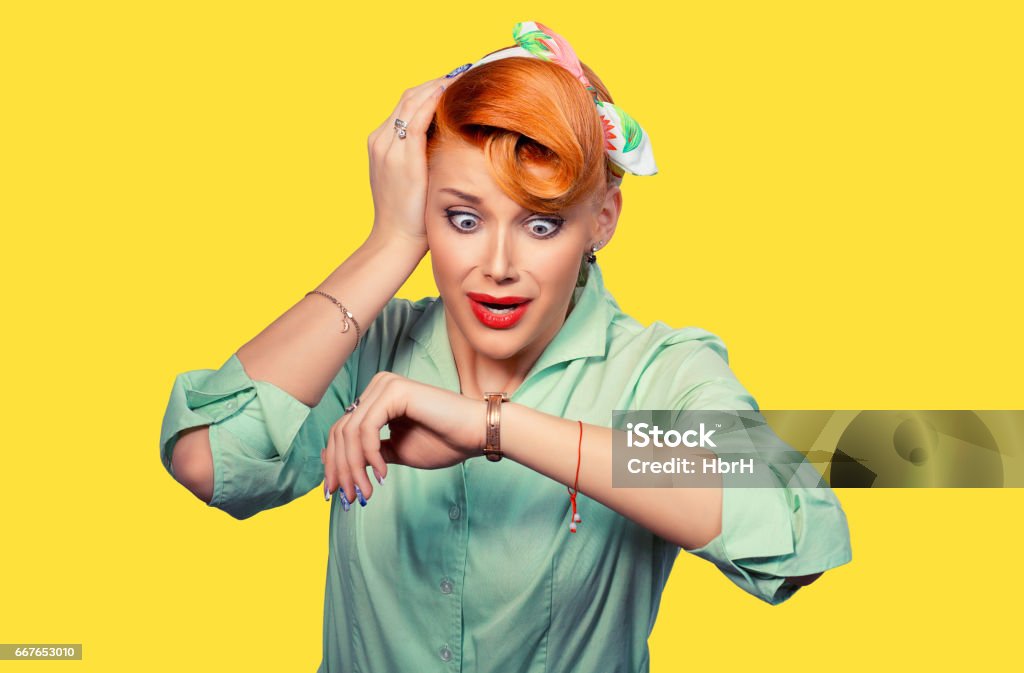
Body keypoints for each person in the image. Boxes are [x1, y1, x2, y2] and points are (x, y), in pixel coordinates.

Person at [159, 21, 853, 673]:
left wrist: (494, 427)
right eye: (462, 217)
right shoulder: (364, 351)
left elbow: (795, 532)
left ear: (602, 220)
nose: (497, 263)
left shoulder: (656, 374)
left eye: (542, 225)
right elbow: (207, 458)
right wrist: (389, 243)